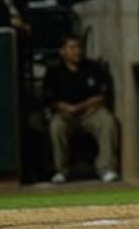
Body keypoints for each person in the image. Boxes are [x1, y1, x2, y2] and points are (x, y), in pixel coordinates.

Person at [44, 34, 119, 184]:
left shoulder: (93, 67)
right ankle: (61, 171)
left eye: (79, 47)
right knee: (56, 126)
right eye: (72, 48)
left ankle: (106, 169)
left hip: (91, 112)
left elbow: (102, 96)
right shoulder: (54, 72)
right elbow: (50, 100)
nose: (77, 51)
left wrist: (79, 107)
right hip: (66, 115)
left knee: (107, 121)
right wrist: (65, 107)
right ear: (62, 51)